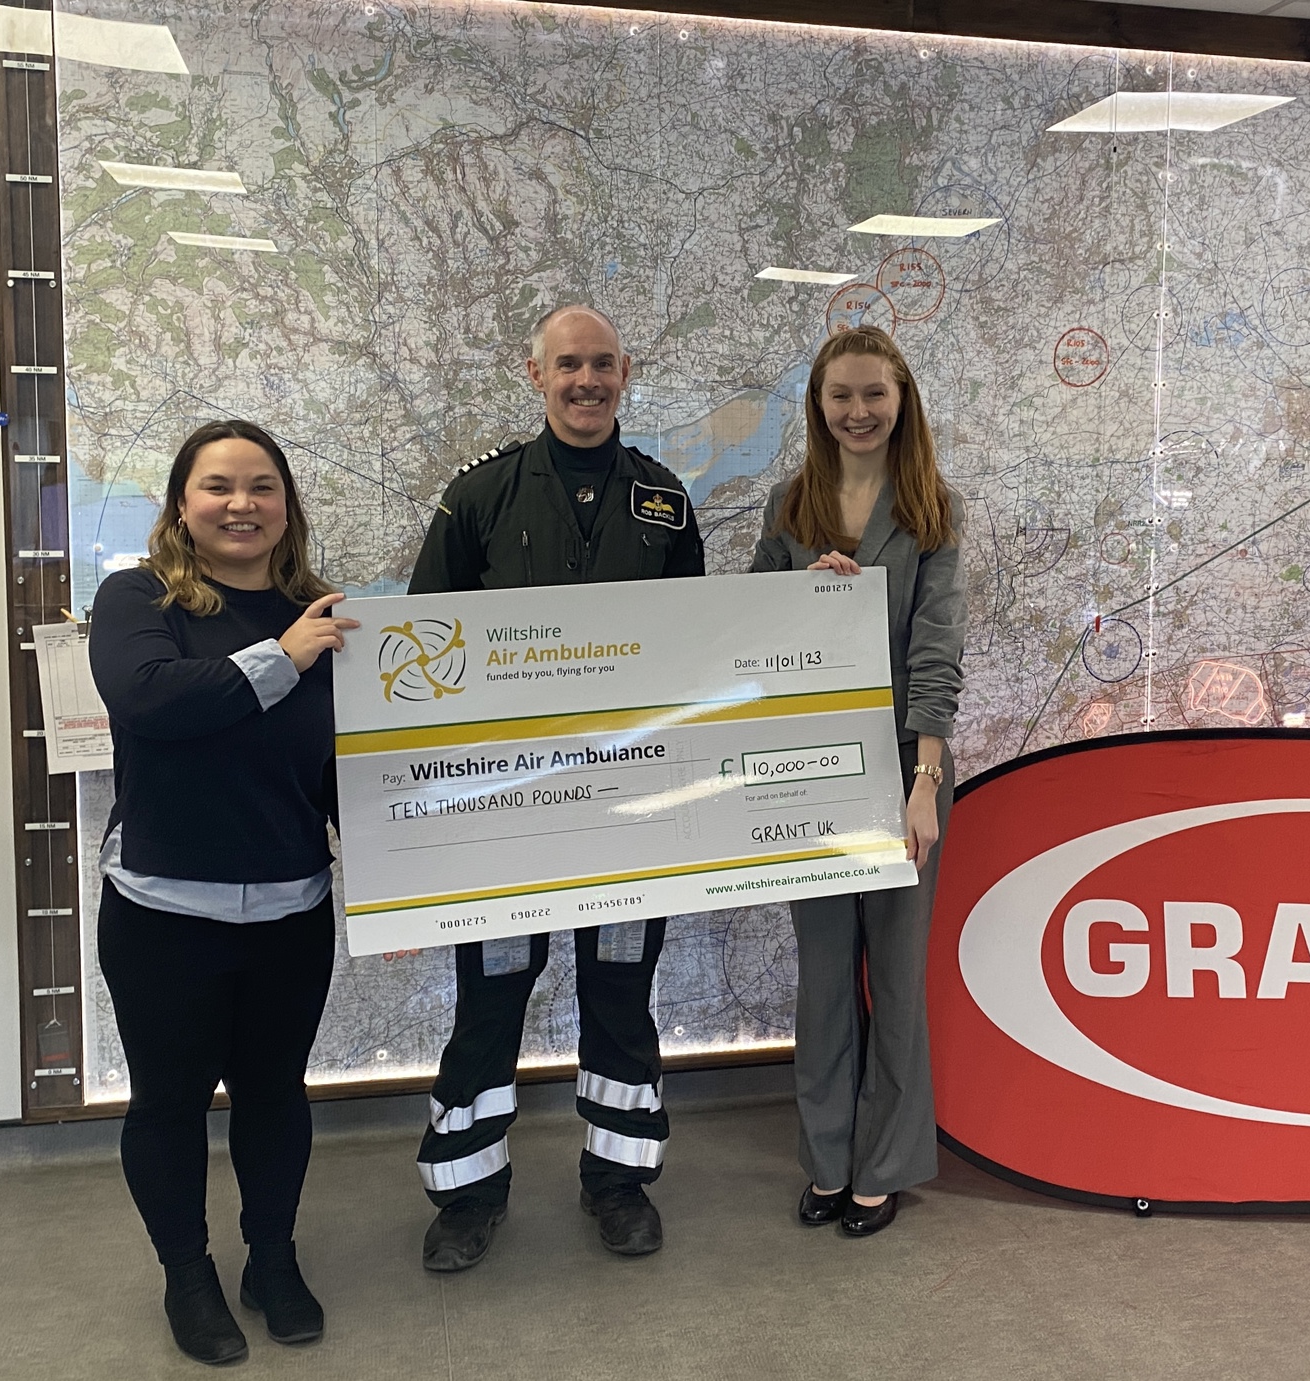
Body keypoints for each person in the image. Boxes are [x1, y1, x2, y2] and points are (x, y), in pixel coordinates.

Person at [409, 304, 704, 1270]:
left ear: (628, 372)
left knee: (621, 995)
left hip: (627, 813)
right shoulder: (478, 498)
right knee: (489, 1005)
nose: (587, 381)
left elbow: (702, 647)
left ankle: (618, 1185)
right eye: (567, 364)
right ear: (533, 374)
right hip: (506, 818)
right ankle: (465, 1196)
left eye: (603, 365)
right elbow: (425, 652)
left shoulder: (665, 501)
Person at [90, 420, 358, 1365]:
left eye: (261, 486)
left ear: (287, 505)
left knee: (275, 1094)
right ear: (181, 504)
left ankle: (271, 1259)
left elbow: (337, 766)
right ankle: (188, 1274)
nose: (240, 503)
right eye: (217, 486)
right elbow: (152, 698)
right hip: (164, 914)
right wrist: (284, 655)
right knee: (167, 1102)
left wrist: (409, 867)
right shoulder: (138, 598)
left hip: (290, 909)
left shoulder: (319, 613)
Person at [750, 325, 966, 1236]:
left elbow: (936, 647)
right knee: (825, 979)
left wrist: (923, 780)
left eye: (874, 393)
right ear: (818, 404)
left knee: (898, 980)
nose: (859, 411)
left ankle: (884, 1164)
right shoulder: (790, 507)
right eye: (841, 395)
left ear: (902, 397)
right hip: (811, 774)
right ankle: (828, 1159)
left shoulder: (932, 509)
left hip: (905, 768)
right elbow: (749, 625)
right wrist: (808, 596)